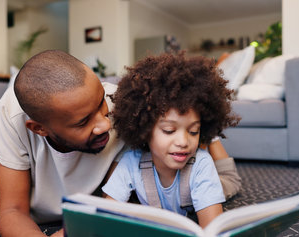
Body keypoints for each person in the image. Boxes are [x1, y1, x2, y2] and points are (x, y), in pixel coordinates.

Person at [0, 50, 240, 236]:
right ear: (39, 128)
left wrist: (199, 131)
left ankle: (210, 136)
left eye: (101, 104)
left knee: (223, 180)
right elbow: (11, 211)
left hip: (183, 171)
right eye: (83, 121)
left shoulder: (123, 105)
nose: (105, 124)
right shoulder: (13, 117)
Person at [102, 52, 240, 227]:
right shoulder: (131, 163)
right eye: (169, 130)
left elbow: (212, 229)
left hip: (214, 178)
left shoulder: (202, 165)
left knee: (229, 180)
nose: (182, 142)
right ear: (145, 130)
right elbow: (105, 216)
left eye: (193, 131)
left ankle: (209, 137)